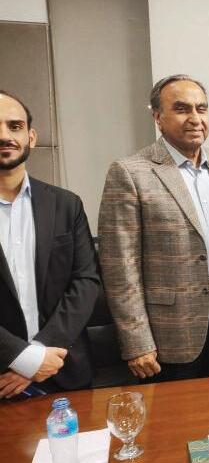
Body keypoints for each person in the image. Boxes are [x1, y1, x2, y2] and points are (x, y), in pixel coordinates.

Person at [98, 75, 209, 381]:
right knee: (178, 410)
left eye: (201, 109)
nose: (195, 118)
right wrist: (137, 342)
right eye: (182, 109)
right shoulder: (131, 172)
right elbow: (120, 267)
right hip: (169, 328)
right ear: (158, 117)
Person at [0, 90, 100, 397]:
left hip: (63, 366)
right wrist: (23, 358)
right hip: (4, 378)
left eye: (15, 126)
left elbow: (86, 281)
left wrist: (41, 353)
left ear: (31, 137)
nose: (4, 136)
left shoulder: (66, 205)